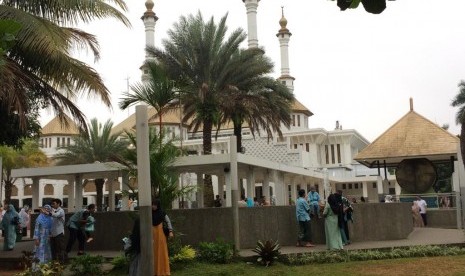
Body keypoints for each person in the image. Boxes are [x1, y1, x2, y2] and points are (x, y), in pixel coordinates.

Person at [152, 199, 173, 275]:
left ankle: (163, 271)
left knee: (162, 251)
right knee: (153, 252)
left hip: (161, 235)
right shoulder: (150, 213)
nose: (153, 206)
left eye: (155, 204)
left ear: (158, 205)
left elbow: (168, 221)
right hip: (152, 235)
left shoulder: (162, 213)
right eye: (152, 204)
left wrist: (170, 231)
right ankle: (154, 271)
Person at [49, 198, 66, 263]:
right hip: (53, 233)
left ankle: (62, 262)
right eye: (52, 204)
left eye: (54, 204)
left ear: (58, 204)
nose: (52, 205)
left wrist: (49, 213)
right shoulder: (53, 210)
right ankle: (54, 262)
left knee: (60, 248)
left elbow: (56, 215)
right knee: (53, 249)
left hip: (59, 233)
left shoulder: (61, 211)